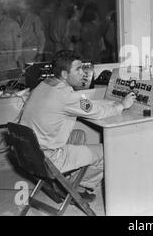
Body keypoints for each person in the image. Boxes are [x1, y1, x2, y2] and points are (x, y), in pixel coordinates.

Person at [19, 50, 136, 201]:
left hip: (31, 153)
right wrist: (121, 106)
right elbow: (96, 112)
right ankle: (74, 187)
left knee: (79, 135)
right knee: (109, 152)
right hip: (49, 158)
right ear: (65, 74)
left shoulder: (44, 85)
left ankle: (66, 182)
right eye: (78, 69)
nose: (83, 73)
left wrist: (109, 103)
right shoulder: (66, 96)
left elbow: (85, 104)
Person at [16, 0, 46, 65]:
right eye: (20, 5)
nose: (22, 7)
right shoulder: (16, 19)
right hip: (19, 52)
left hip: (32, 52)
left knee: (31, 72)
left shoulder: (35, 18)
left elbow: (41, 37)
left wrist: (40, 53)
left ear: (28, 6)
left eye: (24, 5)